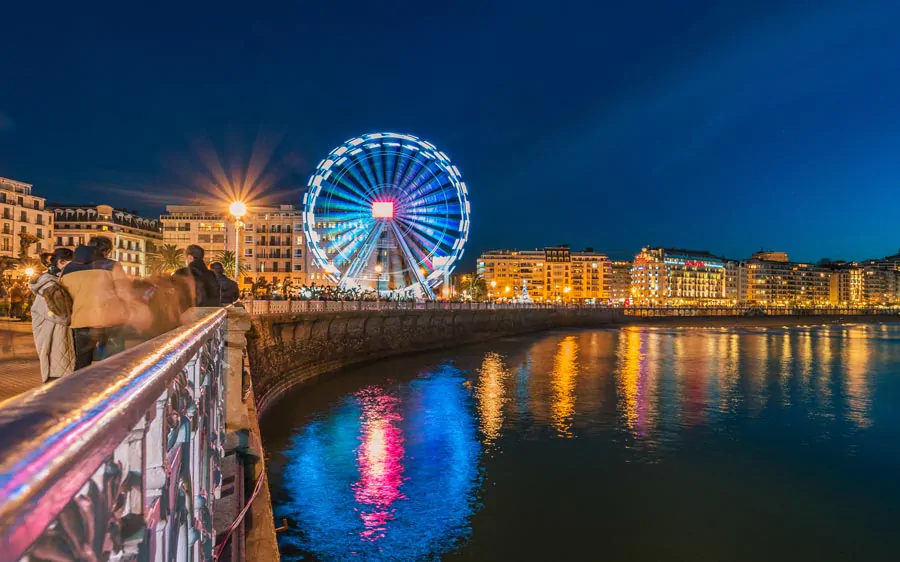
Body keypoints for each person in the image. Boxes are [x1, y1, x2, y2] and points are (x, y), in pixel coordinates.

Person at [61, 236, 132, 369]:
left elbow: (64, 296)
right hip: (111, 320)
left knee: (82, 363)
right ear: (106, 251)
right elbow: (125, 293)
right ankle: (111, 388)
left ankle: (81, 388)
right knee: (113, 363)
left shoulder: (68, 269)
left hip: (81, 321)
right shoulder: (111, 265)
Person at [29, 249, 76, 382]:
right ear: (61, 263)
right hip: (55, 342)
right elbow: (63, 314)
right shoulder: (50, 286)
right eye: (71, 265)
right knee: (57, 383)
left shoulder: (51, 283)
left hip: (56, 341)